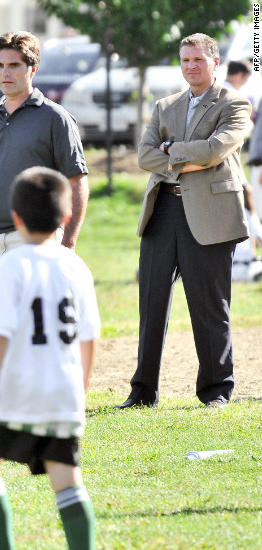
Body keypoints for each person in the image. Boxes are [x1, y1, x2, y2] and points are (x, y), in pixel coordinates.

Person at [0, 167, 99, 550]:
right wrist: (82, 391)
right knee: (66, 478)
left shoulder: (13, 264)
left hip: (19, 390)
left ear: (16, 217)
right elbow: (90, 337)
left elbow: (1, 336)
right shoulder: (77, 266)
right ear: (66, 216)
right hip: (63, 392)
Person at [119, 33, 252, 409]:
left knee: (210, 307)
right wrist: (187, 159)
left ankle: (216, 391)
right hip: (163, 210)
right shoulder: (165, 105)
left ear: (215, 62)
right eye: (185, 60)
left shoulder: (234, 102)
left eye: (198, 59)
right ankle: (143, 391)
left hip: (211, 216)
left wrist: (171, 152)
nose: (191, 66)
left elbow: (216, 150)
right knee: (151, 305)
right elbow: (145, 155)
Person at [0, 31, 89, 353]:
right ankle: (5, 403)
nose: (5, 73)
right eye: (0, 65)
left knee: (34, 331)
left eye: (14, 65)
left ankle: (42, 400)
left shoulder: (55, 118)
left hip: (33, 239)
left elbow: (77, 182)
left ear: (33, 69)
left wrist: (68, 243)